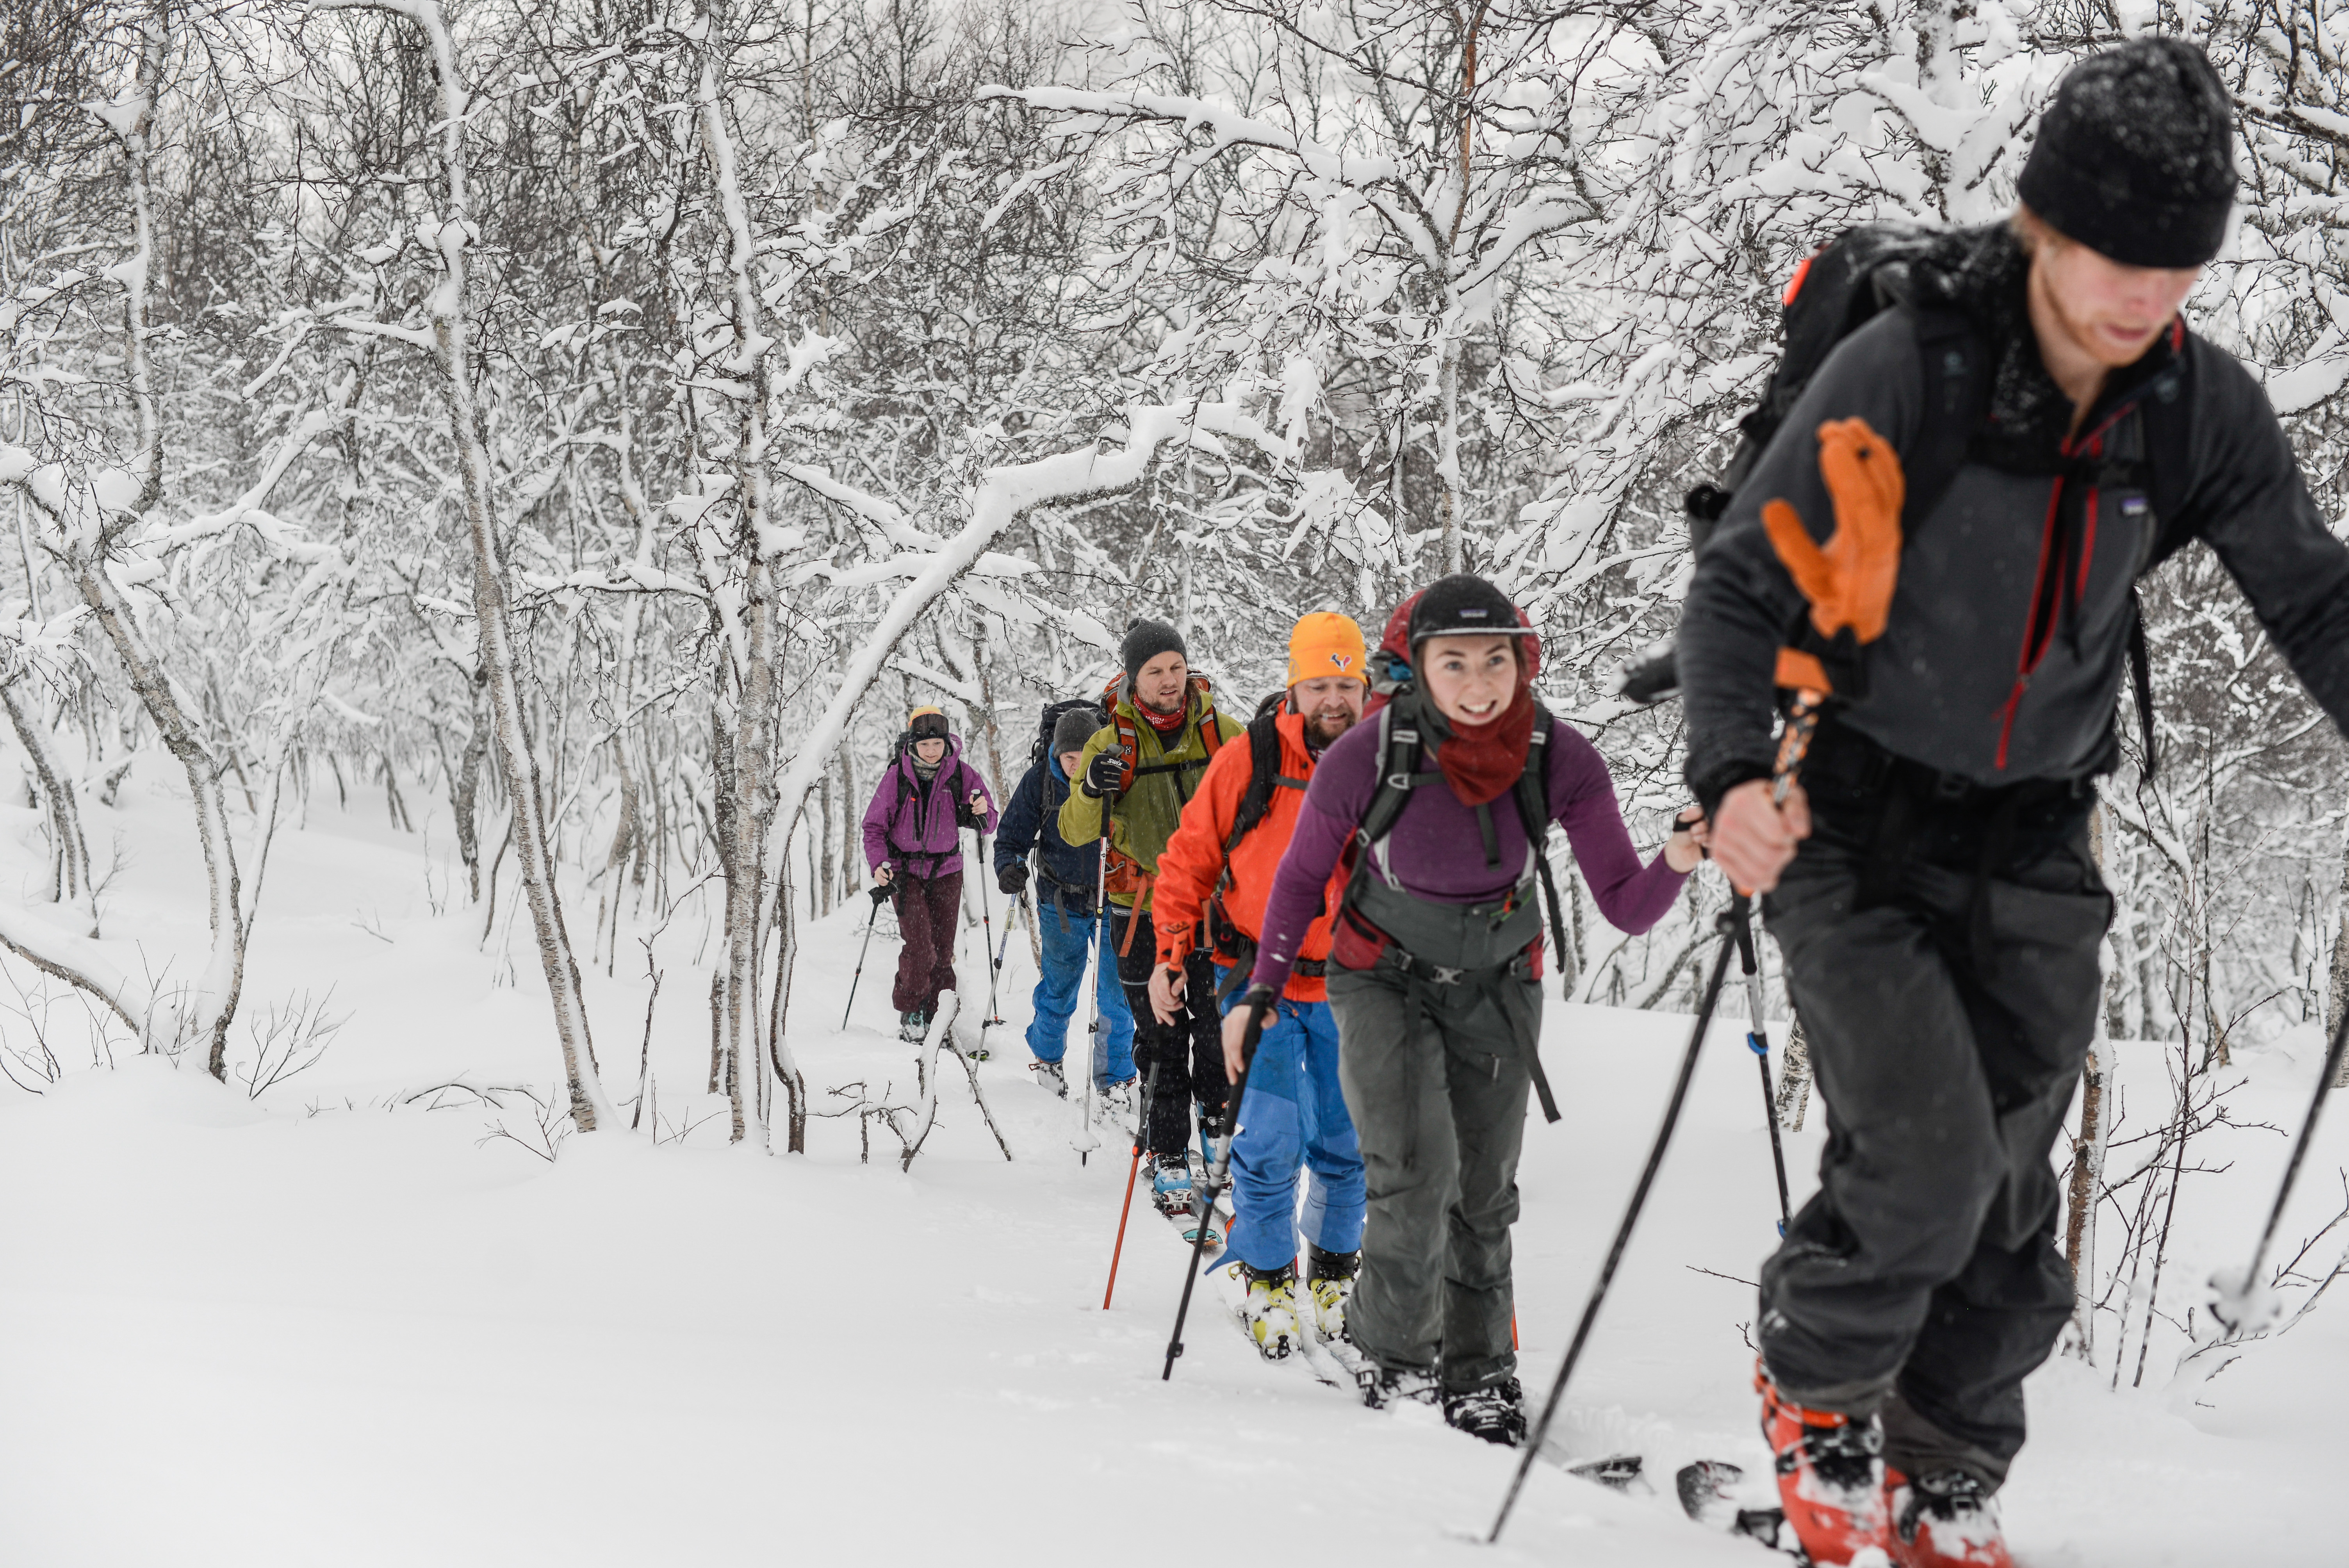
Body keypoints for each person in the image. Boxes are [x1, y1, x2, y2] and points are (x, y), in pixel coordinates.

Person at [1677, 40, 2349, 1568]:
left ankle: (1945, 1467)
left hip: (2037, 835)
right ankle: (1816, 1393)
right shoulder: (1910, 366)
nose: (2140, 298)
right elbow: (1736, 588)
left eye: (2176, 268)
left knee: (2008, 1205)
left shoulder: (2192, 405)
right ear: (2043, 225)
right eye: (2113, 256)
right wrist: (1727, 772)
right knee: (1925, 1156)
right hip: (1849, 818)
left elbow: (2314, 598)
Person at [1232, 575, 1705, 1443]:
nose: (1478, 683)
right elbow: (1301, 877)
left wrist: (1677, 856)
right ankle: (1397, 1354)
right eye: (1454, 662)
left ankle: (1480, 1370)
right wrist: (1261, 988)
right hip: (1381, 976)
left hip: (1499, 981)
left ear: (1524, 662)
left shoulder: (1558, 756)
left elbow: (1626, 907)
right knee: (1415, 1175)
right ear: (1417, 667)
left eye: (1496, 660)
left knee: (1484, 1192)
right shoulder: (1366, 754)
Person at [1147, 612, 1371, 1356]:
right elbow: (1188, 860)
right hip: (1257, 983)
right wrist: (1171, 954)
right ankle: (1269, 1275)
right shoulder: (1251, 759)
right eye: (1318, 685)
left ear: (1366, 687)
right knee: (1270, 1140)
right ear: (1294, 687)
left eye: (1346, 684)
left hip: (1355, 989)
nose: (1333, 699)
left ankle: (1334, 1270)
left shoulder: (1390, 763)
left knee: (1346, 1139)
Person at [1059, 619, 1243, 1200]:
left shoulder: (1223, 733)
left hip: (1213, 905)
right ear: (1133, 678)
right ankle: (1167, 1146)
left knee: (1216, 1025)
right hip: (1138, 908)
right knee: (1161, 1032)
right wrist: (1092, 788)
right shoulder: (1110, 742)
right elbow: (1074, 830)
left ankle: (1217, 1121)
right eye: (1155, 671)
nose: (1169, 680)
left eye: (1176, 667)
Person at [993, 706, 1137, 1101]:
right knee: (1059, 991)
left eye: (1082, 756)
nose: (1074, 765)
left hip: (1114, 901)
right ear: (1055, 753)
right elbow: (1011, 838)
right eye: (1067, 757)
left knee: (1117, 995)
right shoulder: (1041, 780)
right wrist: (1009, 867)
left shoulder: (1117, 778)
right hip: (1061, 902)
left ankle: (1115, 1081)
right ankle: (1048, 1061)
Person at [861, 707, 998, 1044]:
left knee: (943, 949)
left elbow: (989, 822)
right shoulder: (897, 777)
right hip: (905, 873)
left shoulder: (961, 774)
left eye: (937, 744)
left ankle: (940, 1016)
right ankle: (912, 1012)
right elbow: (873, 827)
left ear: (947, 743)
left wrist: (983, 811)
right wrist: (879, 865)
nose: (932, 751)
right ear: (913, 745)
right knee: (921, 947)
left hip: (947, 871)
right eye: (925, 745)